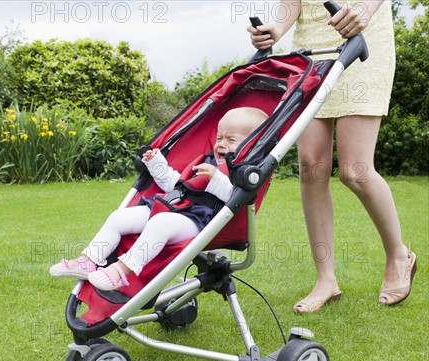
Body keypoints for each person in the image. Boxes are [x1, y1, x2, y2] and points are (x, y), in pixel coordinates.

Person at [247, 0, 417, 312]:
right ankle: (326, 280)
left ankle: (398, 256)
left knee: (356, 170)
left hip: (361, 36)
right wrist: (277, 29)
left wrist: (363, 12)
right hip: (312, 47)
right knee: (312, 166)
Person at [50, 107, 269, 291]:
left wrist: (215, 179)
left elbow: (234, 199)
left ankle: (121, 271)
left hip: (197, 222)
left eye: (230, 139)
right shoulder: (206, 160)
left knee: (159, 224)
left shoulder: (243, 175)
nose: (221, 144)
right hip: (171, 205)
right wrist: (157, 164)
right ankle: (89, 260)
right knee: (119, 218)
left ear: (252, 145)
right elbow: (177, 184)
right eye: (219, 137)